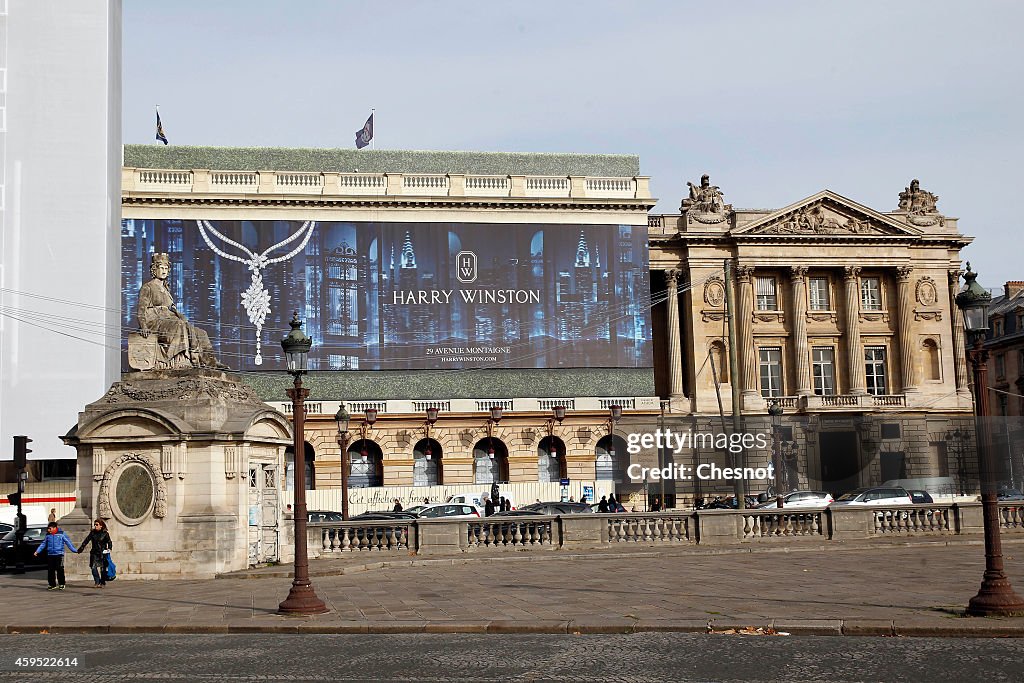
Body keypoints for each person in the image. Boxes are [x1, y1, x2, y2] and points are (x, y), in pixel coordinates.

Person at [137, 253, 224, 368]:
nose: (164, 271)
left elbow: (172, 308)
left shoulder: (166, 290)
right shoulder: (147, 287)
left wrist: (180, 315)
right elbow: (141, 310)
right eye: (161, 268)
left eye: (166, 268)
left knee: (200, 332)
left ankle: (211, 362)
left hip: (170, 321)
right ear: (155, 269)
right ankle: (191, 358)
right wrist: (143, 326)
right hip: (155, 323)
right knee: (179, 325)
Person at [33, 522, 78, 590]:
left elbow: (68, 542)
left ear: (54, 528)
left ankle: (61, 583)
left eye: (50, 529)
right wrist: (37, 551)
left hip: (59, 554)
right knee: (50, 570)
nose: (49, 530)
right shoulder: (48, 535)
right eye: (48, 529)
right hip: (50, 554)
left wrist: (74, 550)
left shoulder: (61, 534)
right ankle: (52, 584)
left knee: (59, 569)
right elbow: (43, 544)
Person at [77, 519, 113, 588]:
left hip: (103, 553)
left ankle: (102, 582)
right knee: (93, 567)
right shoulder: (92, 533)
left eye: (97, 525)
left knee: (103, 569)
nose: (95, 526)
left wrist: (109, 548)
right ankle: (97, 581)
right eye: (95, 525)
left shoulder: (105, 533)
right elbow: (86, 540)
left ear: (101, 526)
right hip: (94, 553)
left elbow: (109, 542)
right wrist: (81, 548)